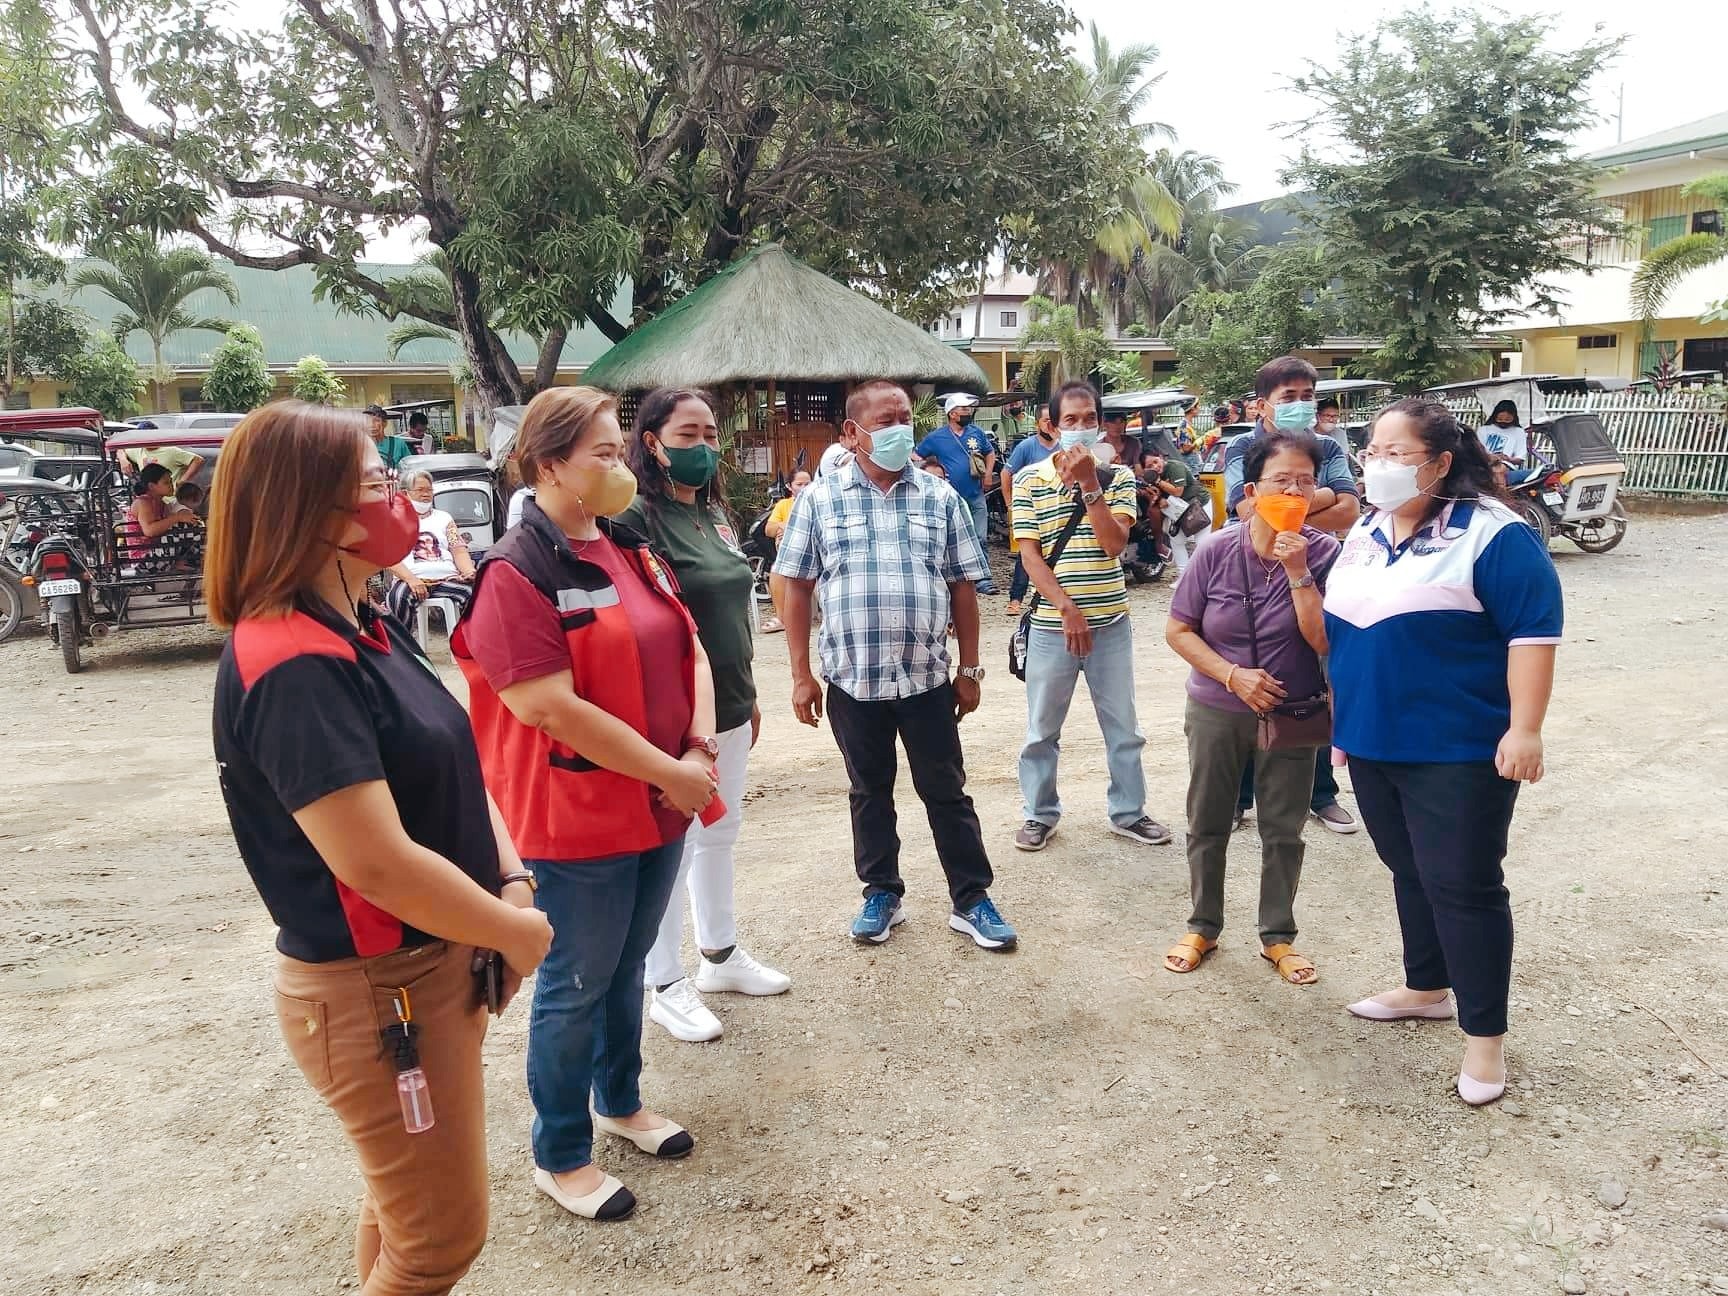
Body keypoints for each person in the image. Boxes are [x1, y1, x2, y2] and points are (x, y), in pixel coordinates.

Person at [205, 401, 553, 1294]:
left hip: (432, 962)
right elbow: (375, 862)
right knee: (439, 1240)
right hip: (379, 992)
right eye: (378, 483)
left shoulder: (366, 617)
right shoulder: (291, 663)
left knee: (404, 1213)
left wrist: (510, 883)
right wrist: (514, 933)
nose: (400, 497)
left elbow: (455, 763)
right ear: (310, 508)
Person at [452, 385, 715, 1221]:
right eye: (601, 454)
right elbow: (547, 706)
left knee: (628, 967)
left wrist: (698, 748)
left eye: (617, 451)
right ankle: (560, 1150)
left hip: (658, 804)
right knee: (575, 980)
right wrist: (669, 773)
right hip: (577, 817)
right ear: (548, 466)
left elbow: (690, 644)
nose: (619, 468)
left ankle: (620, 1101)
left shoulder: (630, 547)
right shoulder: (516, 570)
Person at [1326, 399, 1561, 1107]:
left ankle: (1484, 1041)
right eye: (1372, 450)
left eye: (1397, 453)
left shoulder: (1495, 535)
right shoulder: (1365, 530)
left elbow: (1533, 634)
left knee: (1464, 885)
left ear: (1440, 463)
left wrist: (1526, 727)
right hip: (1373, 740)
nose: (1378, 464)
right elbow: (1349, 633)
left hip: (1458, 748)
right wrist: (1346, 723)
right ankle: (1426, 986)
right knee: (1408, 868)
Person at [773, 379, 1016, 951]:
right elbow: (797, 588)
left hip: (927, 678)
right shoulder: (819, 499)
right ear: (854, 433)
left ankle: (972, 898)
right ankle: (881, 891)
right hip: (852, 681)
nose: (900, 429)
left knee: (946, 790)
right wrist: (801, 673)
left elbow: (962, 588)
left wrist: (971, 669)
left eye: (906, 417)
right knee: (868, 790)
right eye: (887, 421)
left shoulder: (941, 498)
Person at [618, 387, 791, 1044]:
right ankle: (663, 982)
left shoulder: (714, 514)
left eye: (712, 434)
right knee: (672, 845)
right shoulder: (634, 517)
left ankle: (719, 956)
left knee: (721, 834)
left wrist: (746, 700)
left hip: (729, 705)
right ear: (653, 442)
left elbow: (728, 612)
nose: (704, 447)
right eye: (688, 435)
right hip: (671, 716)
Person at [1163, 429, 1340, 985]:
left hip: (1293, 711)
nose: (1294, 490)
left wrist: (1298, 572)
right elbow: (1178, 629)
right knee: (1208, 819)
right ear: (1253, 488)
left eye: (1305, 482)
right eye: (1281, 480)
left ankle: (1278, 936)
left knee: (1283, 828)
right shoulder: (1217, 549)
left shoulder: (1329, 552)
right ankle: (1202, 924)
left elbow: (1324, 642)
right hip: (1218, 705)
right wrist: (1231, 675)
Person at [1009, 380, 1171, 854]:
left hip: (1111, 623)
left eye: (1088, 419)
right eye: (1070, 421)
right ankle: (1038, 814)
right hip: (1050, 627)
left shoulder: (1117, 478)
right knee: (1042, 728)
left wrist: (1089, 484)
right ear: (1051, 425)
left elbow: (1114, 544)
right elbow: (1030, 556)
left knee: (1123, 726)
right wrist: (1065, 609)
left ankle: (1128, 811)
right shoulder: (1028, 480)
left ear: (1101, 424)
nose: (1080, 429)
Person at [1224, 357, 1363, 836]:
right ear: (1263, 405)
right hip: (1250, 574)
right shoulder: (1240, 446)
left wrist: (1285, 510)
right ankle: (1240, 797)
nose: (1301, 405)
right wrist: (1316, 496)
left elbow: (1350, 513)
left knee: (1318, 679)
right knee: (1248, 679)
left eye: (1308, 395)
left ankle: (1320, 795)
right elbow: (1244, 511)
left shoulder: (1328, 444)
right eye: (1289, 398)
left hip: (1317, 571)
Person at [914, 393, 999, 594]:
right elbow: (917, 457)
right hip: (950, 497)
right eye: (963, 409)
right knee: (953, 538)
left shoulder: (977, 433)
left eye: (968, 408)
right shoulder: (936, 437)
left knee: (980, 536)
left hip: (975, 492)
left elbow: (990, 452)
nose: (967, 412)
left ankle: (983, 580)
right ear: (952, 414)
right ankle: (957, 578)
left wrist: (987, 474)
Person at [384, 469, 476, 630]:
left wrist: (468, 571)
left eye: (429, 490)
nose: (426, 494)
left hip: (446, 579)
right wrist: (411, 579)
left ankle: (470, 649)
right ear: (406, 493)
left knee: (477, 595)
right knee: (397, 598)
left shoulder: (444, 518)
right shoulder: (394, 519)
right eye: (420, 490)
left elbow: (458, 549)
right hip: (410, 580)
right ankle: (406, 650)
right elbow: (388, 557)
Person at [1001, 407, 1058, 614]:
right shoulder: (1026, 447)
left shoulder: (1063, 447)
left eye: (1053, 420)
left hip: (1056, 512)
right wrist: (1010, 505)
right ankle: (1015, 599)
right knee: (1026, 555)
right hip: (1031, 511)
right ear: (1037, 424)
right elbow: (1006, 474)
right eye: (1045, 420)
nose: (1049, 425)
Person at [760, 469, 813, 635]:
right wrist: (787, 526)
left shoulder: (818, 501)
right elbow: (769, 529)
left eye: (808, 484)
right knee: (776, 569)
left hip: (816, 553)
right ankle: (781, 618)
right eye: (799, 484)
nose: (804, 488)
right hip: (794, 555)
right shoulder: (784, 505)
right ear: (790, 486)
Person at [1141, 447, 1208, 573]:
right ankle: (1184, 576)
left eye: (1156, 461)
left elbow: (1178, 491)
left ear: (1161, 457)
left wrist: (1158, 481)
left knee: (1202, 542)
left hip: (1199, 504)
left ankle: (1206, 575)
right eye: (1149, 466)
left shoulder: (1174, 467)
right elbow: (1158, 495)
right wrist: (1159, 498)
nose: (1155, 467)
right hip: (1180, 510)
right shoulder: (1151, 477)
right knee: (1176, 540)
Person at [121, 462, 204, 564]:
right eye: (166, 483)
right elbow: (149, 531)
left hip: (158, 553)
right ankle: (192, 561)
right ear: (152, 486)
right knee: (183, 526)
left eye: (170, 481)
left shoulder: (162, 504)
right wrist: (177, 517)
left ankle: (191, 561)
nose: (171, 486)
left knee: (191, 526)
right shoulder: (143, 503)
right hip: (144, 560)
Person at [119, 443, 205, 486]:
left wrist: (182, 481)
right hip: (153, 499)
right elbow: (120, 449)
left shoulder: (171, 451)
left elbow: (197, 460)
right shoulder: (138, 450)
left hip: (173, 499)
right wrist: (123, 460)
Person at [365, 405, 415, 471]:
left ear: (385, 423)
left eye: (376, 420)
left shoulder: (398, 444)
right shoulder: (358, 446)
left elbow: (411, 469)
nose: (371, 425)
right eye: (367, 421)